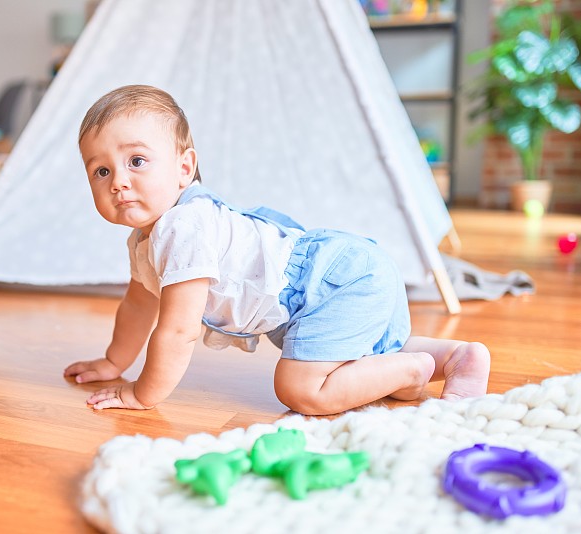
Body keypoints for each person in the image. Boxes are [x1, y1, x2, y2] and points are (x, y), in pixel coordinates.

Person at [64, 84, 490, 415]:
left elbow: (178, 330)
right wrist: (112, 362)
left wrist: (142, 394)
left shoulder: (184, 228)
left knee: (299, 388)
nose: (117, 181)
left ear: (184, 168)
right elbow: (140, 306)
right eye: (101, 170)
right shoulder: (146, 239)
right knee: (353, 356)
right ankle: (455, 356)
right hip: (343, 273)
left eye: (136, 161)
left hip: (333, 283)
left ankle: (413, 368)